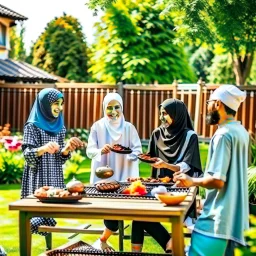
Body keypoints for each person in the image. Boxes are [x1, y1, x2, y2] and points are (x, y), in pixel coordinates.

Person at [173, 85, 249, 256]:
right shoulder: (242, 132)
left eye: (209, 102)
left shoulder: (223, 134)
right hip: (238, 223)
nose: (207, 107)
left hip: (216, 223)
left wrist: (191, 180)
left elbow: (217, 180)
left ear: (217, 104)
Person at [131, 98, 203, 253]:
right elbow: (150, 156)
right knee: (138, 217)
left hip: (181, 190)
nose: (161, 117)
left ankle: (171, 245)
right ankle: (170, 247)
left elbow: (187, 166)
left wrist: (165, 165)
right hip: (158, 188)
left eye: (165, 113)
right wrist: (144, 158)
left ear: (177, 115)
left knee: (141, 219)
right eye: (160, 113)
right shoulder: (157, 133)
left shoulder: (190, 136)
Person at [21, 88, 84, 237]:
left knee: (50, 214)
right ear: (44, 104)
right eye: (56, 103)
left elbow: (59, 157)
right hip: (38, 177)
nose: (60, 108)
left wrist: (66, 149)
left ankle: (48, 248)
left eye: (61, 103)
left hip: (54, 176)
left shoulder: (60, 126)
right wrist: (43, 148)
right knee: (36, 216)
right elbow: (27, 155)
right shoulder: (32, 126)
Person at [86, 92, 142, 251]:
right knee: (110, 214)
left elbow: (138, 150)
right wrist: (100, 151)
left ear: (122, 108)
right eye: (109, 108)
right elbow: (90, 151)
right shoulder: (97, 126)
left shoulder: (129, 127)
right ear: (104, 109)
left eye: (117, 107)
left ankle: (103, 240)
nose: (113, 111)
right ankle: (103, 240)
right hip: (104, 179)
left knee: (125, 212)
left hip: (125, 175)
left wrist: (130, 155)